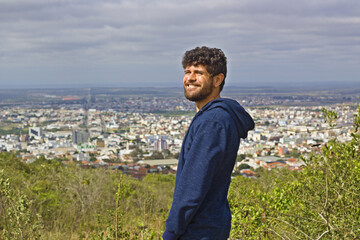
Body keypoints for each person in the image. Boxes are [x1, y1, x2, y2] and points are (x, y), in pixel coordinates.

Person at [163, 46, 255, 240]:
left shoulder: (212, 122)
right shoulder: (214, 117)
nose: (190, 78)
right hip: (208, 224)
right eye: (187, 72)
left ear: (217, 80)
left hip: (198, 230)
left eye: (199, 73)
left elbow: (194, 184)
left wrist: (172, 231)